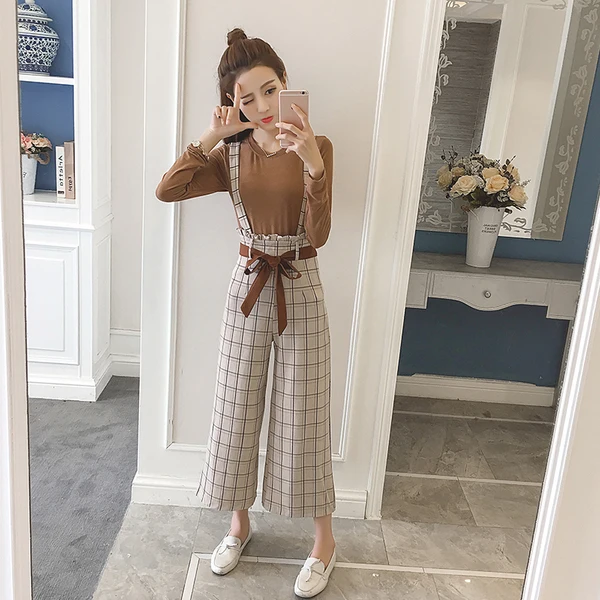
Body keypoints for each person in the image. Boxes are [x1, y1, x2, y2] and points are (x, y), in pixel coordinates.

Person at [155, 28, 336, 598]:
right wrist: (213, 133)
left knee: (304, 413)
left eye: (270, 90)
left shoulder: (318, 146)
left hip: (300, 281)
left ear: (286, 85)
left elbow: (319, 234)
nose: (261, 106)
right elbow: (168, 189)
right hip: (248, 284)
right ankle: (238, 525)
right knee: (235, 407)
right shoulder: (230, 154)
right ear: (232, 103)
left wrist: (313, 166)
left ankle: (324, 542)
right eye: (246, 98)